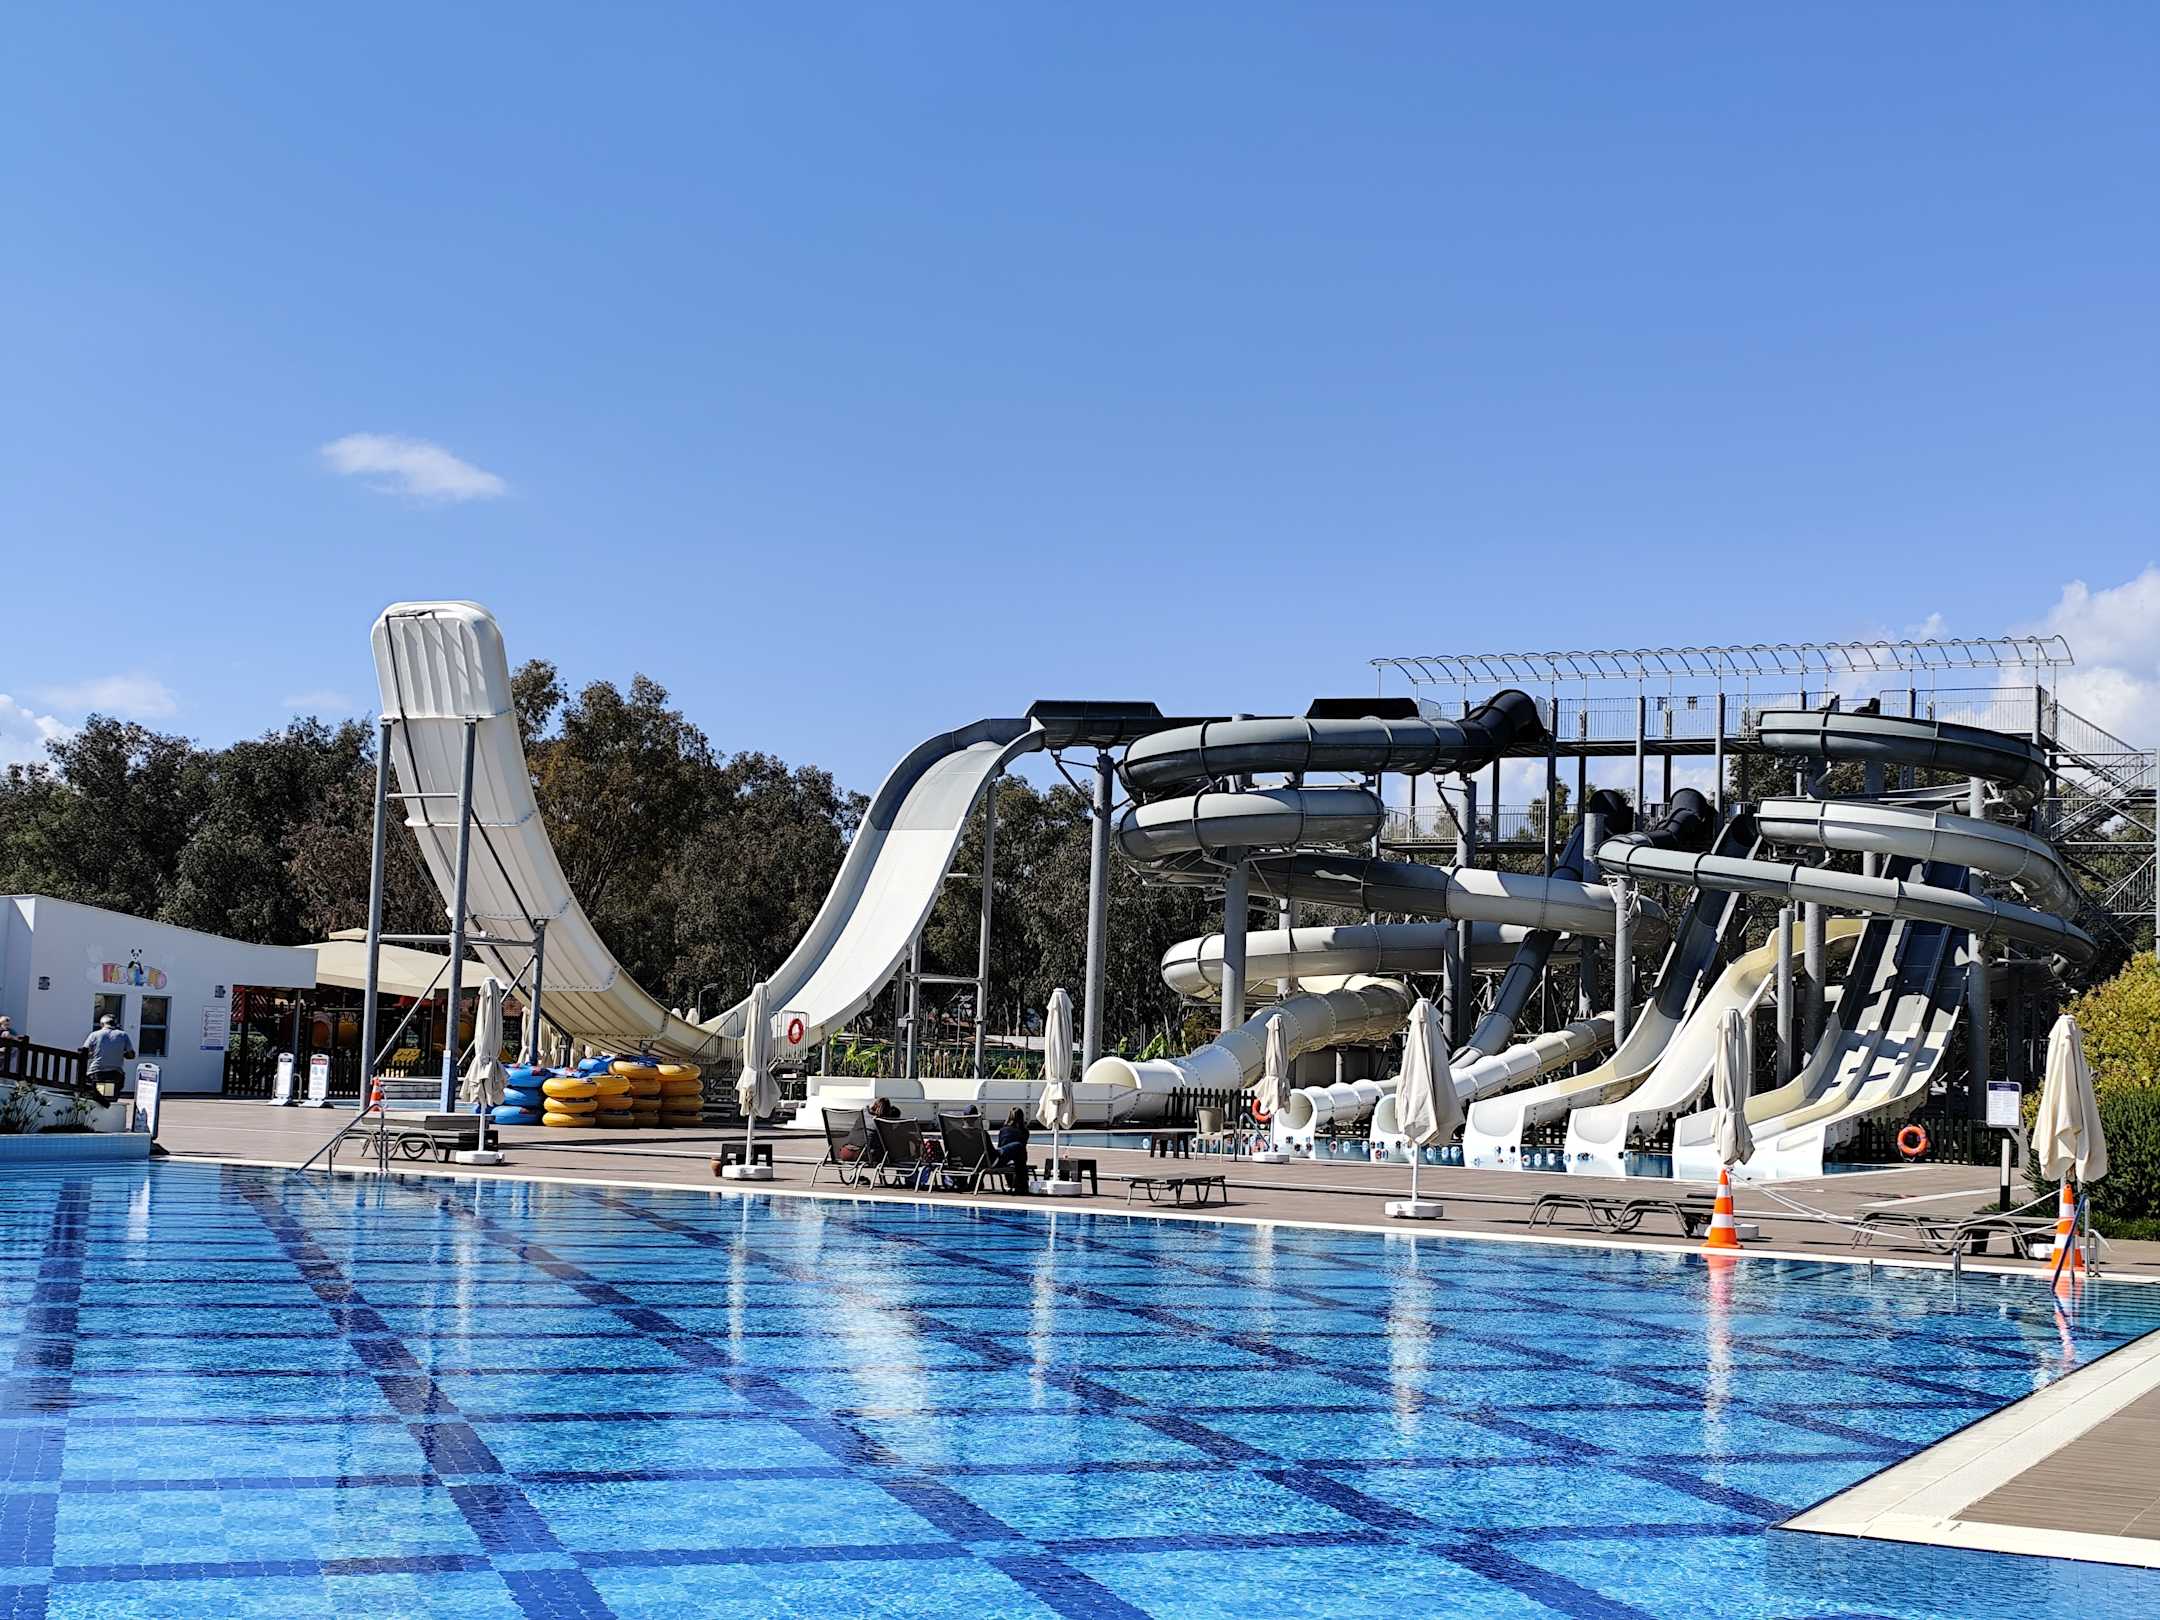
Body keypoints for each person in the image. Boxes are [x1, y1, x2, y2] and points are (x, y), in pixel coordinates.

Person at [81, 1014, 135, 1103]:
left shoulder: (94, 1035)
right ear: (115, 1024)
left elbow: (84, 1052)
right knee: (111, 1098)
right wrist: (121, 1053)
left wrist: (93, 1054)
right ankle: (110, 1106)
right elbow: (131, 1055)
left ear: (102, 1024)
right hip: (115, 1074)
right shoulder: (123, 1035)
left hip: (96, 1072)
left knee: (96, 1097)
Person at [995, 1105, 1031, 1194]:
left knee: (1012, 1160)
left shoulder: (1003, 1130)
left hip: (1003, 1158)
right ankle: (1021, 1184)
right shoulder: (1024, 1132)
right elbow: (1023, 1146)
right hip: (1018, 1159)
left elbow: (1000, 1145)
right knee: (1019, 1155)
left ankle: (1011, 1183)